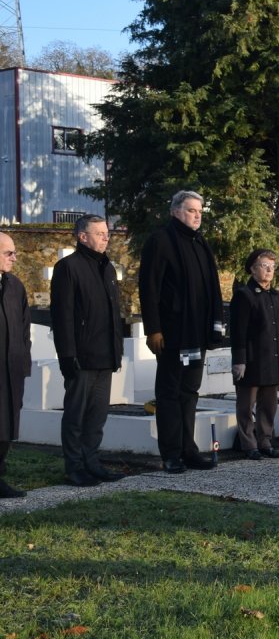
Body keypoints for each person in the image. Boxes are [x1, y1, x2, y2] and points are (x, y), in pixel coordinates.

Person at [139, 190, 223, 474]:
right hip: (173, 335)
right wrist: (154, 329)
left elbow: (213, 289)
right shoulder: (161, 241)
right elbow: (149, 287)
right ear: (175, 211)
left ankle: (189, 449)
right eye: (191, 210)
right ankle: (171, 453)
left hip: (196, 337)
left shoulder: (200, 243)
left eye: (200, 211)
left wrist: (216, 326)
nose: (197, 215)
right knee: (169, 395)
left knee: (190, 393)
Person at [50, 215, 125, 487]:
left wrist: (117, 351)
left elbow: (113, 314)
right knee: (76, 415)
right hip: (81, 357)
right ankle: (75, 467)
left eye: (107, 233)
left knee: (97, 415)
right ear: (83, 237)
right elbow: (63, 316)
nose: (107, 237)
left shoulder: (107, 268)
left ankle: (92, 462)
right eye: (100, 233)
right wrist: (67, 356)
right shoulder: (67, 268)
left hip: (105, 355)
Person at [229, 249, 279, 460]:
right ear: (253, 269)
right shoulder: (244, 295)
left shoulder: (276, 296)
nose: (269, 271)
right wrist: (239, 361)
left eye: (272, 267)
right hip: (252, 359)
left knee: (269, 405)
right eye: (264, 266)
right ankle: (249, 444)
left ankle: (265, 441)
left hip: (273, 359)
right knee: (246, 405)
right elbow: (238, 331)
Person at [0, 232, 31, 498]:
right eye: (8, 253)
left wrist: (23, 363)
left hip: (10, 369)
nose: (14, 257)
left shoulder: (14, 286)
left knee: (7, 425)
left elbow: (24, 329)